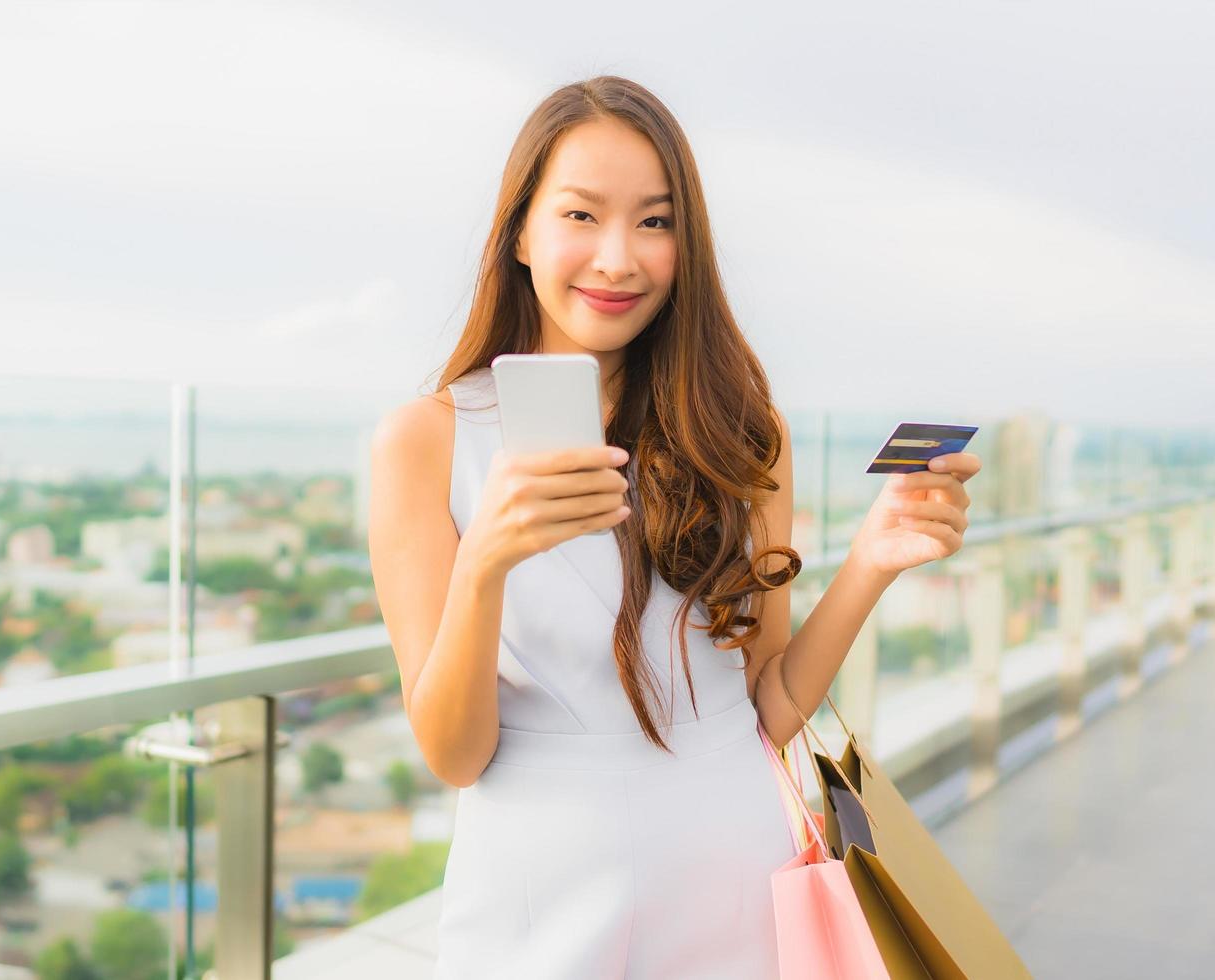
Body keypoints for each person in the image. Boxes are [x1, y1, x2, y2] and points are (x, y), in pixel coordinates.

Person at [368, 75, 980, 979]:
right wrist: (487, 562)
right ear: (521, 231)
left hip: (735, 882)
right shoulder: (428, 440)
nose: (618, 258)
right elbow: (457, 756)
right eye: (580, 215)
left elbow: (766, 708)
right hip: (536, 901)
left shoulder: (740, 433)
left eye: (656, 222)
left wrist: (870, 564)